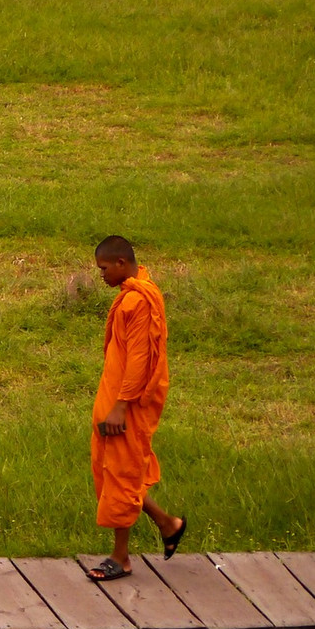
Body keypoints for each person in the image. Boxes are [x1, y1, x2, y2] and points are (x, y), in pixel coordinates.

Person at [85, 235, 188, 582]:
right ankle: (168, 523)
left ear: (120, 264)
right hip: (113, 397)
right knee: (113, 469)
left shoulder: (138, 302)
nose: (100, 275)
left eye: (103, 268)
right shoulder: (132, 295)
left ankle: (121, 557)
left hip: (125, 403)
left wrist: (121, 406)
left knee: (122, 473)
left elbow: (140, 360)